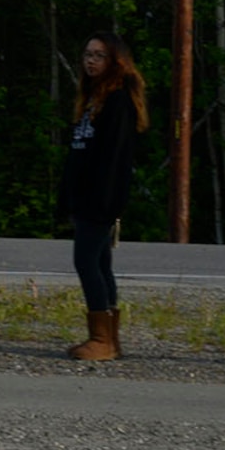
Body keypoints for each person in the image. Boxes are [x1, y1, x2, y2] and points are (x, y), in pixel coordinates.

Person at [59, 32, 149, 361]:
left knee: (85, 260)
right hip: (85, 197)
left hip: (100, 199)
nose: (90, 60)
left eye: (98, 55)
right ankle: (109, 339)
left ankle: (101, 338)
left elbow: (114, 158)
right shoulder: (93, 98)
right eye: (87, 54)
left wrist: (105, 201)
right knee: (100, 262)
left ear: (115, 61)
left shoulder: (118, 101)